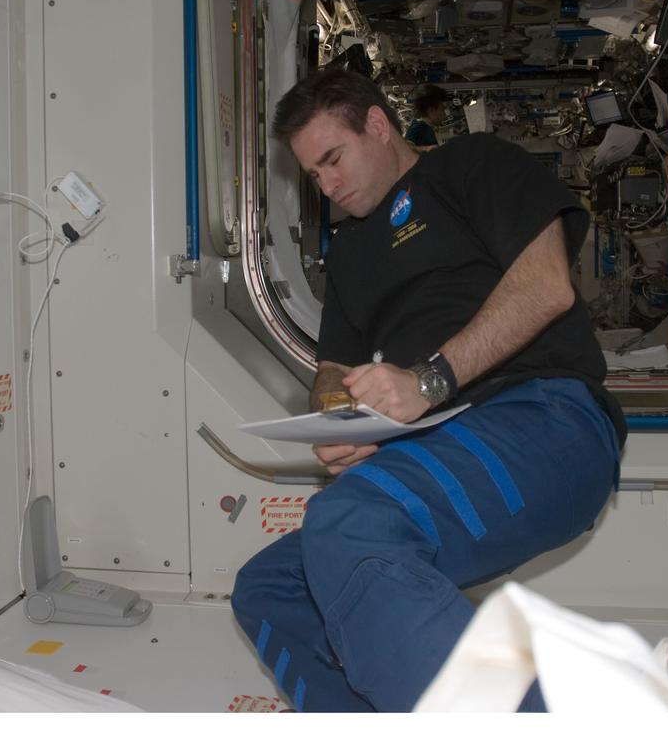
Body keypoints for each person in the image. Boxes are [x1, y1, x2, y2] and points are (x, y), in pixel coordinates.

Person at [231, 68, 625, 713]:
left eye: (333, 159)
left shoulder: (473, 165)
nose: (327, 186)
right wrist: (339, 419)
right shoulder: (350, 253)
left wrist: (428, 380)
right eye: (312, 175)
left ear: (377, 125)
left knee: (350, 519)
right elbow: (332, 370)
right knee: (269, 585)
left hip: (546, 421)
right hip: (434, 447)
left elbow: (547, 285)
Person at [404, 82, 449, 150]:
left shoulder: (426, 128)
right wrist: (426, 149)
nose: (444, 114)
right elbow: (406, 148)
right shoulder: (418, 127)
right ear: (431, 110)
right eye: (442, 109)